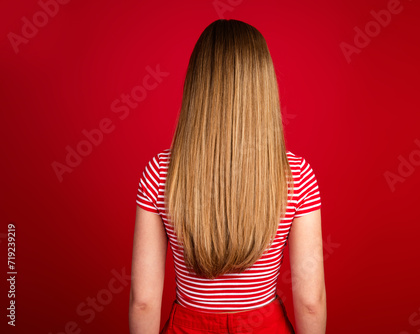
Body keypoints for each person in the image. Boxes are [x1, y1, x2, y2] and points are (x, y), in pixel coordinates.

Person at [129, 19, 326, 334]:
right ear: (263, 87)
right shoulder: (297, 176)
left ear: (197, 85)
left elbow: (144, 301)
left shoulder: (160, 173)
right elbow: (310, 301)